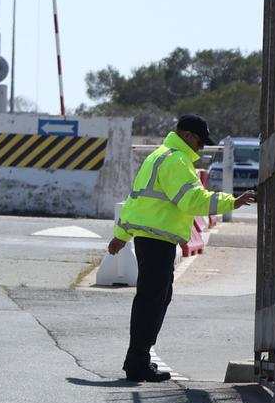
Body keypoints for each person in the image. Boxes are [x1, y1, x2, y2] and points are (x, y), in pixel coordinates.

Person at [107, 113, 256, 382]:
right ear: (187, 135)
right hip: (157, 240)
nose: (200, 148)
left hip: (148, 237)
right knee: (152, 301)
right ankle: (137, 362)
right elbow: (191, 201)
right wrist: (230, 202)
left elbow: (135, 200)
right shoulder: (177, 161)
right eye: (199, 141)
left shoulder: (158, 156)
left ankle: (138, 358)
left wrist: (121, 234)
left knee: (155, 298)